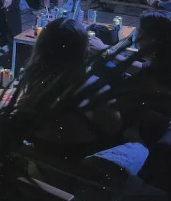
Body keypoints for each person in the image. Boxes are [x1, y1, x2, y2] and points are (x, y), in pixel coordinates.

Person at [23, 18, 122, 160]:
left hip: (42, 166)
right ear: (85, 51)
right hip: (79, 169)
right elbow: (115, 130)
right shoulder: (95, 90)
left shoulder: (35, 87)